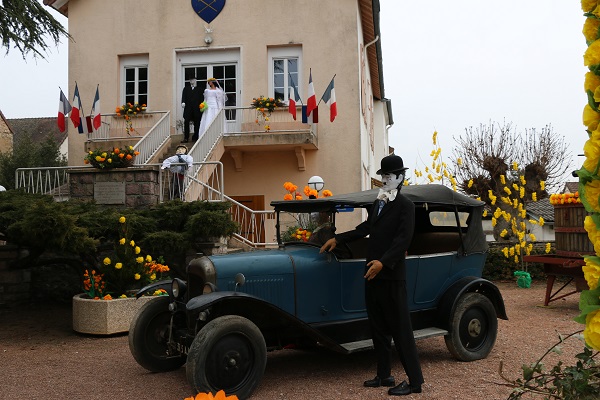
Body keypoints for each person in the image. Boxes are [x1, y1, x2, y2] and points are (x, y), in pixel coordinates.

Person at [319, 154, 424, 396]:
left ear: (400, 177)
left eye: (389, 176)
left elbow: (402, 241)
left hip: (391, 275)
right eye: (383, 176)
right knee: (377, 327)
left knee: (400, 329)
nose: (385, 179)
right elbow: (366, 229)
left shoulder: (406, 206)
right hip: (372, 274)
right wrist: (339, 238)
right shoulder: (378, 203)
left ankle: (416, 381)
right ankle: (384, 374)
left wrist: (384, 263)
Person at [181, 77, 204, 143]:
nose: (191, 81)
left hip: (196, 109)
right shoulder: (186, 89)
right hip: (188, 109)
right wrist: (183, 102)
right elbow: (184, 96)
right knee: (186, 122)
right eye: (190, 80)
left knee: (197, 123)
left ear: (195, 80)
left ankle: (195, 137)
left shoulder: (199, 89)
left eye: (193, 80)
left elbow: (201, 99)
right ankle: (186, 137)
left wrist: (201, 106)